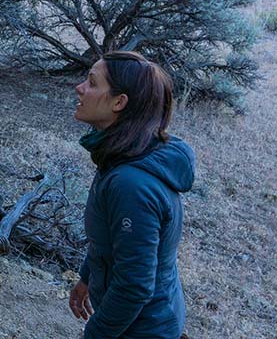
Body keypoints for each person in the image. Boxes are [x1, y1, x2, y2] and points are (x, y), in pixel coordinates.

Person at [68, 51, 195, 339]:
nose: (80, 88)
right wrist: (88, 275)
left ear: (118, 102)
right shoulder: (124, 155)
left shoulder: (131, 184)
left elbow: (134, 286)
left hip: (144, 329)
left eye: (92, 82)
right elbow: (114, 241)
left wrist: (94, 335)